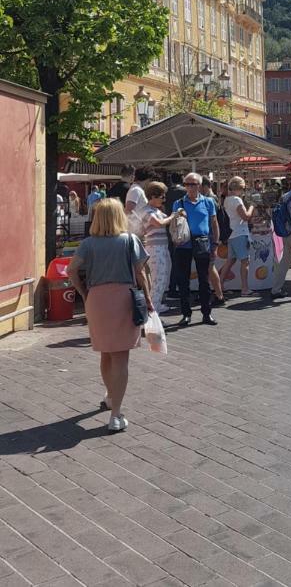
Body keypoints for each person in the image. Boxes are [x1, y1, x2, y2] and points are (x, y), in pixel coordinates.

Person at [66, 199, 152, 432]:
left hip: (96, 299)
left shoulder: (88, 243)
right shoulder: (129, 240)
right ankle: (116, 414)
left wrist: (84, 293)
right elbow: (141, 273)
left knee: (105, 352)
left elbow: (71, 269)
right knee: (121, 357)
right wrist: (148, 299)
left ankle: (110, 397)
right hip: (122, 298)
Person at [172, 172, 220, 326]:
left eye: (192, 184)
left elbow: (214, 223)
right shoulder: (178, 203)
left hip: (202, 242)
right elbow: (173, 224)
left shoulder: (208, 202)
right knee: (183, 281)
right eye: (186, 184)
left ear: (199, 185)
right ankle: (186, 314)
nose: (189, 187)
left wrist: (215, 244)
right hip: (183, 244)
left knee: (204, 280)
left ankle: (207, 313)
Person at [139, 182, 186, 315]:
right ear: (153, 196)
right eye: (162, 197)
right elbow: (159, 223)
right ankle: (153, 311)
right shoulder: (147, 211)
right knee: (157, 279)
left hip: (161, 247)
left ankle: (156, 305)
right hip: (154, 248)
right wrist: (173, 216)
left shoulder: (156, 210)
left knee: (162, 278)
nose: (164, 199)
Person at [219, 176, 254, 297]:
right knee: (245, 261)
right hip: (240, 233)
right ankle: (244, 288)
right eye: (243, 188)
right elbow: (246, 216)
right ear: (239, 188)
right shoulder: (237, 200)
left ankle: (220, 285)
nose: (243, 191)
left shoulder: (227, 200)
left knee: (230, 261)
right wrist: (251, 207)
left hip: (231, 233)